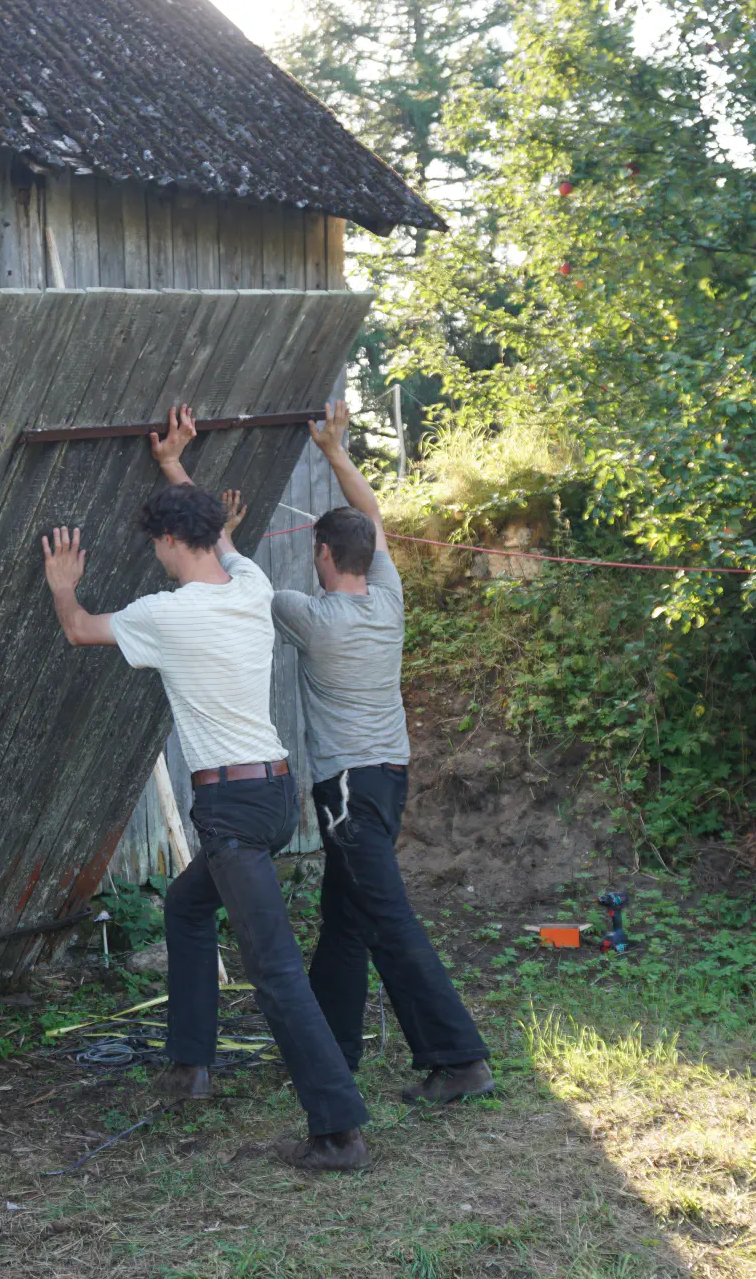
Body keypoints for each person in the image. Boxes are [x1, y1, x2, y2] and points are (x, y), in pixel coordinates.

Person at [41, 406, 373, 1173]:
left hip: (228, 808)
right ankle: (191, 1063)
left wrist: (64, 585)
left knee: (275, 967)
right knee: (189, 909)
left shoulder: (167, 614)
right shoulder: (250, 582)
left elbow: (80, 630)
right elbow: (215, 533)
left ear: (164, 543)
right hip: (274, 793)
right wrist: (175, 468)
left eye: (157, 539)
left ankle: (339, 1128)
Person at [262, 402, 493, 1103]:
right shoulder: (389, 597)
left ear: (325, 556)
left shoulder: (310, 617)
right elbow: (374, 514)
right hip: (389, 781)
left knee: (386, 918)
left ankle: (457, 1058)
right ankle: (331, 1049)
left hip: (346, 795)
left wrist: (223, 531)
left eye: (315, 550)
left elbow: (242, 583)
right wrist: (336, 451)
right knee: (347, 918)